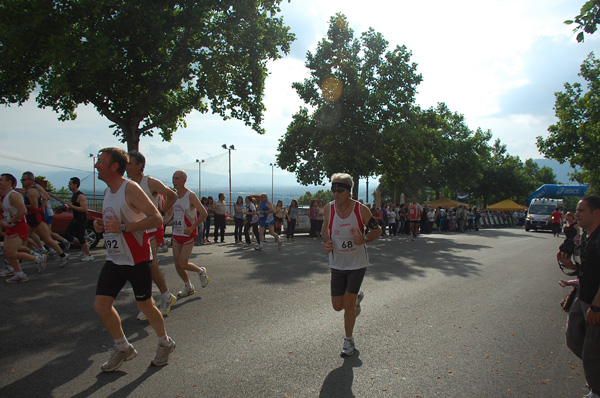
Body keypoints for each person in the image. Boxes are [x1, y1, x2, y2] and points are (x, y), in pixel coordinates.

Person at [92, 147, 175, 372]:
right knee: (101, 305)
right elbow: (113, 220)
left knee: (145, 305)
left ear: (114, 166)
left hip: (137, 257)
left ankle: (165, 343)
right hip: (115, 258)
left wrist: (123, 227)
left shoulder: (131, 188)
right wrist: (101, 225)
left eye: (100, 161)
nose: (96, 165)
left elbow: (156, 219)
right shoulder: (109, 191)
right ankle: (123, 348)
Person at [322, 173, 381, 356]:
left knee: (347, 305)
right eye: (333, 190)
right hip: (337, 263)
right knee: (337, 305)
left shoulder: (360, 210)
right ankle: (356, 300)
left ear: (349, 191)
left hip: (357, 264)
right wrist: (326, 242)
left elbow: (377, 230)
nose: (336, 194)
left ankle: (348, 341)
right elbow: (325, 229)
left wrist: (364, 238)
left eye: (340, 190)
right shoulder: (329, 209)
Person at [126, 151, 179, 320]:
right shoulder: (127, 184)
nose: (126, 167)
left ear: (140, 165)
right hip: (136, 230)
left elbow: (173, 195)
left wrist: (161, 213)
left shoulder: (150, 183)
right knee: (139, 267)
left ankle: (155, 301)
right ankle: (162, 297)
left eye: (129, 163)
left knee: (149, 265)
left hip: (151, 230)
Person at [558, 196, 600, 398]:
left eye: (582, 210)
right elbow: (588, 269)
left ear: (596, 213)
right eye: (577, 210)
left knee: (592, 349)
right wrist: (571, 267)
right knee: (574, 338)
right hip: (583, 297)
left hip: (596, 302)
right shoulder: (587, 236)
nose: (577, 214)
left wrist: (597, 306)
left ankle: (597, 390)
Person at [169, 170, 209, 297]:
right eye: (173, 178)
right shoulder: (173, 196)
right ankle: (188, 286)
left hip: (188, 234)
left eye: (177, 178)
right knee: (177, 264)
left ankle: (200, 271)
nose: (174, 181)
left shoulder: (190, 195)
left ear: (184, 180)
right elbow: (169, 214)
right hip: (176, 233)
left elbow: (204, 213)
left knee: (182, 263)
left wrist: (192, 227)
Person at [0, 173, 46, 282]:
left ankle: (38, 258)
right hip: (11, 226)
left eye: (1, 180)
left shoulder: (13, 195)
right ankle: (20, 274)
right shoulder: (4, 196)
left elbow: (23, 211)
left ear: (8, 182)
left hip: (19, 226)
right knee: (7, 252)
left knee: (11, 252)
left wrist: (10, 221)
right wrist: (3, 221)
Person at [21, 172, 70, 267]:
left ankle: (63, 255)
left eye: (24, 180)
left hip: (37, 218)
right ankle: (19, 261)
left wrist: (23, 206)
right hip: (32, 218)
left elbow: (35, 206)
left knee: (47, 239)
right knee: (24, 238)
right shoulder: (28, 191)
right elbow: (43, 198)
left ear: (31, 180)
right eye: (21, 180)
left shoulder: (32, 191)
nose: (22, 182)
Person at [61, 177, 94, 261]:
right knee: (67, 234)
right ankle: (84, 245)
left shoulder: (81, 196)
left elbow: (84, 209)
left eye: (70, 184)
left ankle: (89, 255)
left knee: (80, 237)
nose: (68, 185)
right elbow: (75, 207)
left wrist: (72, 207)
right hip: (75, 218)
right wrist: (70, 208)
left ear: (75, 185)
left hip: (81, 219)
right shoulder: (74, 195)